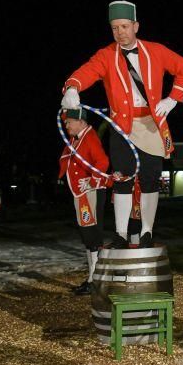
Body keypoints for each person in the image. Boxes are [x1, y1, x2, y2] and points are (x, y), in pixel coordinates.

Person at [61, 0, 183, 249]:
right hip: (122, 126)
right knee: (122, 179)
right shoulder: (106, 55)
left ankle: (147, 232)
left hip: (151, 124)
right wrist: (72, 87)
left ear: (136, 26)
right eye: (114, 28)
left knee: (150, 179)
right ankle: (121, 234)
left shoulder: (156, 51)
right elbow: (86, 72)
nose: (120, 32)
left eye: (124, 26)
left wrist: (173, 99)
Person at [58, 108, 110, 294]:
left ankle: (95, 281)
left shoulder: (89, 137)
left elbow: (103, 162)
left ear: (80, 121)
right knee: (88, 236)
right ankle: (92, 278)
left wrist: (91, 181)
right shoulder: (77, 137)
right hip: (82, 194)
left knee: (92, 236)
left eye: (69, 122)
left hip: (90, 193)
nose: (66, 125)